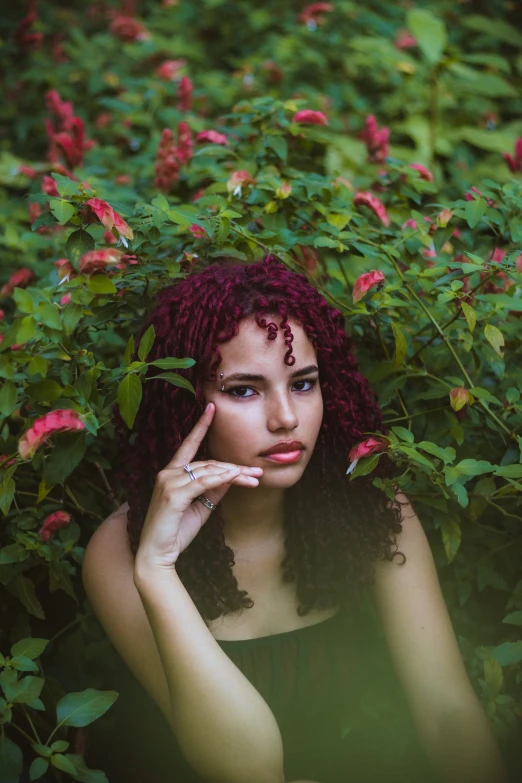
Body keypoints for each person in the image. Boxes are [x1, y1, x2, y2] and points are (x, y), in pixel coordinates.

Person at [81, 255, 508, 783]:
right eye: (244, 390)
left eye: (303, 383)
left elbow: (446, 714)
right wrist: (158, 570)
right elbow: (249, 768)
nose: (286, 418)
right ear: (185, 404)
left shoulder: (369, 505)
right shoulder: (122, 550)